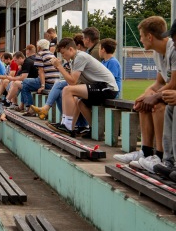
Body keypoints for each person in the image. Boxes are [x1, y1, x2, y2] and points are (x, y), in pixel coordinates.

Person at [115, 16, 176, 173]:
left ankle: (161, 156)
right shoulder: (157, 53)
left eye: (141, 36)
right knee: (144, 104)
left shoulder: (173, 49)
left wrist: (154, 96)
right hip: (169, 93)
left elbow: (173, 84)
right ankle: (146, 152)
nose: (141, 40)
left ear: (149, 36)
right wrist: (146, 95)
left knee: (158, 106)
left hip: (172, 95)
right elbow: (159, 83)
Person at [47, 38, 119, 137]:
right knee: (80, 102)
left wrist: (59, 67)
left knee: (67, 90)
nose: (62, 56)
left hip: (108, 87)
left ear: (71, 49)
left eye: (63, 53)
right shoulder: (74, 59)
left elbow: (72, 82)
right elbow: (73, 82)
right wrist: (61, 68)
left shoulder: (80, 57)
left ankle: (67, 125)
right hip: (99, 86)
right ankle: (92, 129)